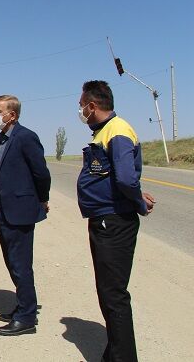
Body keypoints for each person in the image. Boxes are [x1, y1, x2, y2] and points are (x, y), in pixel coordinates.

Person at [77, 80, 155, 362]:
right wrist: (135, 193)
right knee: (108, 292)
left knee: (114, 295)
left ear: (92, 105)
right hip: (104, 220)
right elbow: (119, 175)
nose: (81, 110)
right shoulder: (105, 131)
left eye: (81, 105)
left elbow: (124, 177)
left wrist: (137, 202)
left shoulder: (118, 130)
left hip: (114, 222)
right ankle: (115, 353)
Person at [0, 94, 51, 336]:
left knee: (20, 264)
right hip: (4, 209)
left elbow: (41, 173)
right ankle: (24, 305)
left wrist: (42, 199)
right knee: (12, 262)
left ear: (11, 115)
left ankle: (26, 318)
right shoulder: (4, 138)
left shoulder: (25, 137)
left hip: (19, 212)